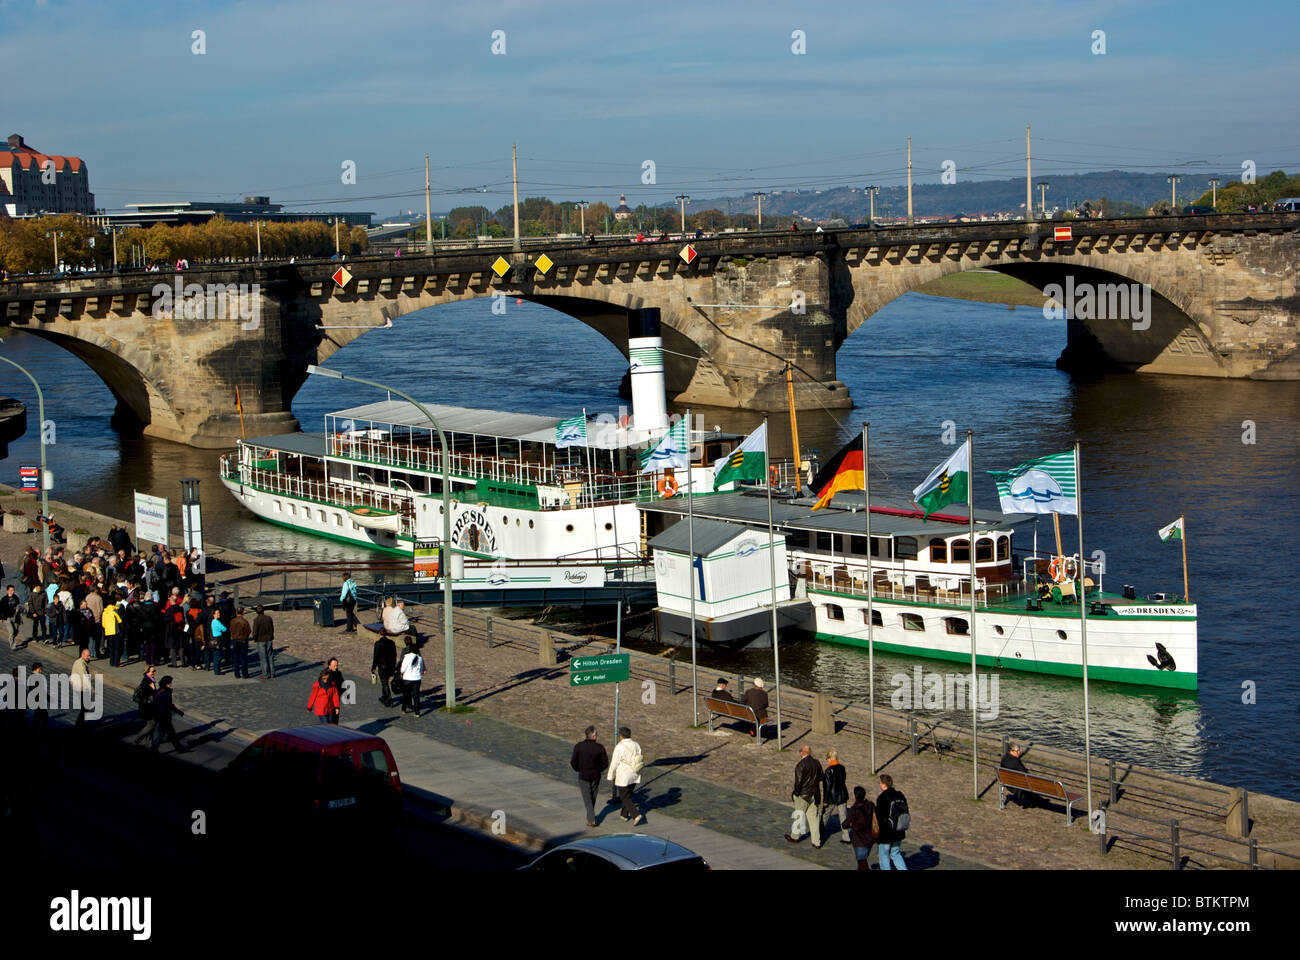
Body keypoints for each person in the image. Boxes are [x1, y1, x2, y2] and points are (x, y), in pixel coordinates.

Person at [570, 725, 610, 827]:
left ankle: (591, 819)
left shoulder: (579, 746)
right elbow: (605, 763)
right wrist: (599, 769)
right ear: (594, 736)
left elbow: (573, 762)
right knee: (592, 796)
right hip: (595, 775)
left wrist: (578, 769)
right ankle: (591, 817)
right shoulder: (599, 748)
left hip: (583, 775)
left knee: (587, 797)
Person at [785, 745, 823, 847]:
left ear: (801, 753)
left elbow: (798, 782)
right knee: (814, 819)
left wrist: (796, 793)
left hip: (803, 794)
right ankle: (816, 841)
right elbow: (821, 777)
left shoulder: (801, 765)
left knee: (799, 815)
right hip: (814, 794)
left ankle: (795, 836)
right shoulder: (817, 763)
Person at [605, 727, 644, 824]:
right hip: (635, 773)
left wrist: (610, 776)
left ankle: (636, 815)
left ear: (621, 736)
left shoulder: (619, 747)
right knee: (628, 795)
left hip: (624, 775)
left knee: (624, 797)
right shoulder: (636, 745)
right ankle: (624, 815)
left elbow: (614, 762)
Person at [875, 774, 909, 870]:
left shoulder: (882, 798)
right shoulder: (900, 795)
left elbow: (879, 817)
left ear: (883, 784)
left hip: (886, 834)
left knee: (884, 856)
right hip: (899, 831)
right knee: (896, 854)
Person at [843, 786, 877, 870]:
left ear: (855, 796)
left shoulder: (854, 809)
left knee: (862, 863)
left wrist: (851, 824)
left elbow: (845, 824)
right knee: (863, 862)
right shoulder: (871, 805)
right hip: (870, 838)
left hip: (859, 840)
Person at [151, 675, 187, 753]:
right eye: (170, 682)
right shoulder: (165, 693)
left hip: (158, 714)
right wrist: (179, 712)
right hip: (164, 715)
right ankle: (178, 748)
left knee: (163, 732)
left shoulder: (158, 690)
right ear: (167, 683)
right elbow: (169, 705)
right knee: (170, 733)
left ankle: (155, 747)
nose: (171, 684)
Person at [823, 748, 851, 843]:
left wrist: (825, 800)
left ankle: (820, 833)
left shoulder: (829, 770)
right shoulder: (842, 768)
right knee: (843, 816)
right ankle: (846, 837)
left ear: (830, 758)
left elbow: (827, 787)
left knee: (825, 816)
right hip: (842, 794)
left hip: (831, 796)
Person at [1000, 742, 1036, 808]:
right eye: (1017, 751)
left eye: (1019, 750)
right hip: (1015, 785)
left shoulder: (1004, 758)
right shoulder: (1015, 761)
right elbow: (1024, 771)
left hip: (1006, 782)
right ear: (1011, 751)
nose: (1019, 752)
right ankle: (1032, 800)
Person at [371, 627, 397, 708]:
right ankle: (384, 697)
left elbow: (375, 656)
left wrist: (373, 667)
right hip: (390, 665)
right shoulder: (391, 643)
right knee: (385, 681)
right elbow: (394, 655)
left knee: (385, 682)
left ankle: (389, 699)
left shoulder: (378, 644)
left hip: (382, 666)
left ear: (379, 634)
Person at [132, 665, 158, 746]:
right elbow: (148, 695)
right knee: (152, 724)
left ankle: (149, 743)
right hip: (147, 708)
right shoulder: (147, 682)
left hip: (148, 707)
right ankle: (138, 738)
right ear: (147, 672)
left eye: (154, 671)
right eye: (152, 671)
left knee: (150, 724)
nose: (154, 673)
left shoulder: (150, 680)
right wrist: (154, 690)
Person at [70, 647, 94, 730]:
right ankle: (79, 725)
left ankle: (80, 724)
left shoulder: (81, 662)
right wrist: (92, 689)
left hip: (79, 687)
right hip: (80, 688)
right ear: (82, 655)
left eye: (89, 655)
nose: (89, 657)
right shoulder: (80, 664)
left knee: (85, 707)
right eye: (87, 656)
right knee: (84, 707)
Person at [399, 638, 423, 716]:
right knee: (416, 696)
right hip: (417, 679)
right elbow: (421, 669)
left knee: (406, 694)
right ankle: (417, 712)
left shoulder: (407, 657)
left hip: (407, 678)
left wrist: (401, 672)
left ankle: (404, 708)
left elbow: (402, 669)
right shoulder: (420, 658)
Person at [251, 605, 275, 678]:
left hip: (260, 640)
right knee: (270, 657)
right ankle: (272, 673)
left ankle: (265, 674)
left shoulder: (257, 620)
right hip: (269, 639)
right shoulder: (268, 618)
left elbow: (255, 631)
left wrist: (255, 639)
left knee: (263, 658)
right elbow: (272, 628)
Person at [101, 596, 124, 667]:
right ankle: (116, 663)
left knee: (110, 648)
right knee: (116, 648)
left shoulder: (105, 612)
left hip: (108, 632)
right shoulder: (115, 611)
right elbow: (119, 620)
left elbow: (103, 624)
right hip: (115, 631)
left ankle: (111, 662)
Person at [228, 607, 252, 678]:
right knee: (244, 658)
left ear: (236, 612)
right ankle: (244, 674)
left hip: (235, 640)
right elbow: (249, 631)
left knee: (236, 658)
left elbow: (230, 630)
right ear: (243, 612)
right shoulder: (245, 621)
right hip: (243, 640)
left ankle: (237, 673)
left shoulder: (232, 621)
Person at [0, 584, 22, 650]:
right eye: (10, 590)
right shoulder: (4, 599)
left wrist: (18, 609)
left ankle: (11, 638)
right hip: (7, 617)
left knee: (16, 631)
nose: (12, 592)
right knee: (11, 631)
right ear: (7, 591)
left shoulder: (16, 598)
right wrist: (0, 618)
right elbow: (0, 609)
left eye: (13, 590)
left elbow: (19, 605)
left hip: (14, 617)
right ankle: (12, 645)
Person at [325, 657, 344, 723]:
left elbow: (342, 684)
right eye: (334, 666)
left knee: (335, 718)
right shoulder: (325, 675)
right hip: (328, 700)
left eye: (337, 665)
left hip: (336, 699)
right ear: (329, 666)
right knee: (329, 719)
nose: (336, 667)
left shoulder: (338, 673)